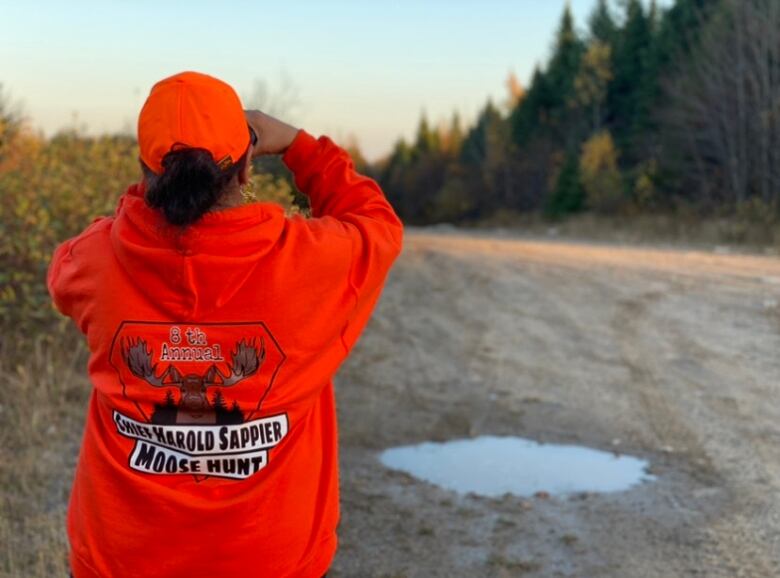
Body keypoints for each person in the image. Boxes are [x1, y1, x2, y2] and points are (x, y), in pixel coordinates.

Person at [48, 70, 404, 578]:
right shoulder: (309, 262)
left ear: (146, 171)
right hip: (271, 560)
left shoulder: (94, 259)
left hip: (120, 560)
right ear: (243, 172)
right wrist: (300, 146)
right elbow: (377, 221)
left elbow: (67, 271)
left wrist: (148, 206)